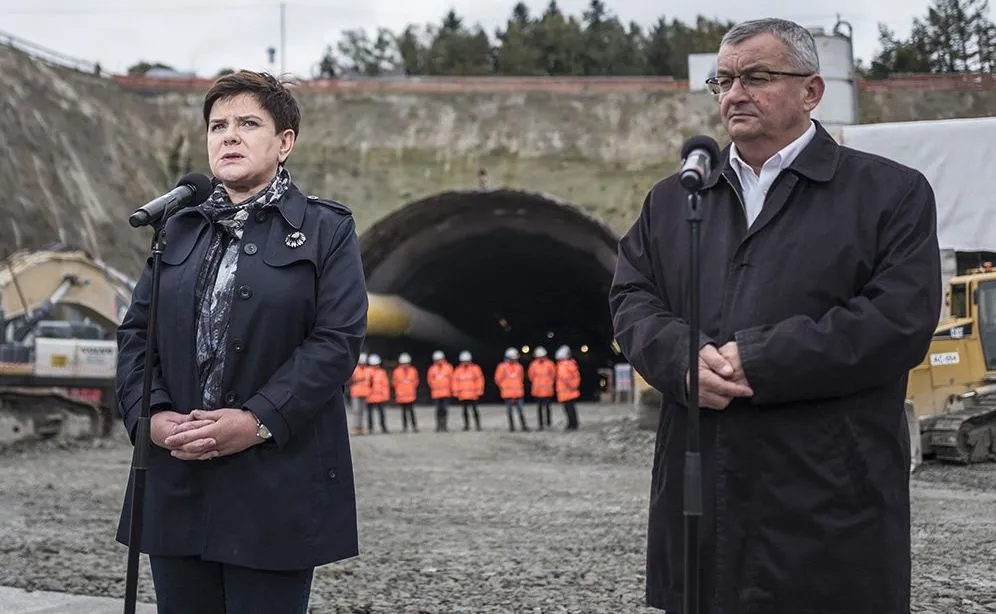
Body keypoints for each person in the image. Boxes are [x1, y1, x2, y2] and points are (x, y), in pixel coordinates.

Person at [608, 18, 941, 613]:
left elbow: (898, 320)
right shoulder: (675, 200)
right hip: (701, 494)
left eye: (756, 77)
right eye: (724, 80)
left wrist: (761, 358)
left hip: (829, 499)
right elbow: (632, 298)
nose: (735, 94)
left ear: (811, 91)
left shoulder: (888, 193)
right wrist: (679, 359)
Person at [114, 70, 368, 614]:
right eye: (217, 125)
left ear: (285, 142)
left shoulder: (327, 230)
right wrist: (150, 418)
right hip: (177, 476)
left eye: (248, 123)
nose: (228, 136)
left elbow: (336, 342)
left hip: (274, 483)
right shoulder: (178, 228)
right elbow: (137, 335)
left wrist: (255, 420)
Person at [495, 347, 528, 432]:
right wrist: (504, 387)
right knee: (509, 411)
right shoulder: (502, 367)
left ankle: (524, 426)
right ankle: (512, 427)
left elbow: (521, 378)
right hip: (507, 393)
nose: (514, 360)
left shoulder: (519, 367)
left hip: (518, 393)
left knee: (520, 411)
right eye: (513, 358)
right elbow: (498, 379)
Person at [452, 350, 484, 430]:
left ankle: (478, 425)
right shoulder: (458, 370)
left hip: (473, 394)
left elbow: (480, 380)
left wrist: (479, 390)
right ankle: (466, 425)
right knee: (464, 411)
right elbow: (454, 381)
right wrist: (456, 392)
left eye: (467, 361)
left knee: (475, 410)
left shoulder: (475, 369)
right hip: (463, 395)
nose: (465, 362)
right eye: (464, 361)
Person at [527, 346, 556, 429]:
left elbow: (553, 375)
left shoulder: (550, 364)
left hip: (547, 390)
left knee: (547, 407)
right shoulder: (533, 365)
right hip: (538, 390)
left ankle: (548, 423)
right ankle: (541, 424)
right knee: (539, 408)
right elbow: (531, 376)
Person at [554, 345, 580, 430]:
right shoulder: (572, 363)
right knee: (571, 408)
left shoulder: (563, 366)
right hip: (569, 391)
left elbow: (565, 378)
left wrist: (571, 386)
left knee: (569, 409)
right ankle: (573, 424)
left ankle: (571, 425)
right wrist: (574, 386)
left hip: (566, 392)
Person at [392, 352, 419, 432]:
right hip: (401, 396)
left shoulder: (413, 370)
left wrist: (410, 388)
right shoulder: (396, 372)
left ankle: (414, 427)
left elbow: (416, 381)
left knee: (411, 412)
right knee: (403, 413)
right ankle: (405, 427)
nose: (405, 365)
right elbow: (394, 383)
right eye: (403, 363)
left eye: (406, 363)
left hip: (410, 396)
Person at [427, 350, 453, 432]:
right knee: (438, 410)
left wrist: (451, 389)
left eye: (440, 359)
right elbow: (430, 380)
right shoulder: (432, 369)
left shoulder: (448, 367)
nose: (438, 361)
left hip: (446, 393)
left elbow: (452, 379)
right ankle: (438, 426)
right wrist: (435, 387)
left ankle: (444, 425)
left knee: (445, 409)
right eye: (437, 360)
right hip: (436, 393)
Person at [365, 354, 390, 433]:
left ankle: (383, 427)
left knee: (382, 413)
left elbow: (385, 385)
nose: (376, 366)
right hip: (369, 396)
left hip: (380, 396)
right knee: (369, 414)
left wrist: (386, 396)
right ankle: (370, 428)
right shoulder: (367, 371)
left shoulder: (382, 372)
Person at [349, 353, 371, 435]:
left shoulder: (368, 370)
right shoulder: (355, 370)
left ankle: (361, 427)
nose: (362, 364)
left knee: (362, 411)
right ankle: (355, 427)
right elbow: (350, 381)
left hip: (365, 393)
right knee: (356, 411)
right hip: (356, 393)